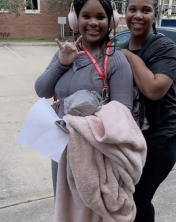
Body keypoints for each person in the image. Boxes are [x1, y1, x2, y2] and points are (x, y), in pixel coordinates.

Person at [35, 0, 133, 197]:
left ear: (110, 21)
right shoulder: (64, 52)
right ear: (75, 21)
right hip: (61, 147)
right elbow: (42, 90)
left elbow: (122, 114)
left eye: (100, 17)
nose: (93, 22)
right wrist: (61, 63)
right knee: (63, 203)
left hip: (95, 152)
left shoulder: (115, 59)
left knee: (91, 209)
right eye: (86, 16)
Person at [121, 0, 176, 221]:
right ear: (125, 13)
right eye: (132, 9)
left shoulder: (164, 47)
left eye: (145, 10)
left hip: (161, 138)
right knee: (125, 197)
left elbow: (154, 89)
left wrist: (129, 57)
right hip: (132, 139)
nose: (138, 15)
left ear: (154, 15)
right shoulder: (120, 48)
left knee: (139, 198)